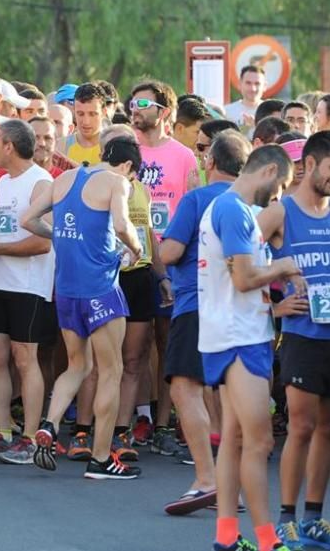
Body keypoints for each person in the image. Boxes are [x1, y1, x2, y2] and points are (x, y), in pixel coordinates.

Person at [257, 131, 330, 551]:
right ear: (308, 164)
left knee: (328, 429)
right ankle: (286, 517)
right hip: (304, 334)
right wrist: (274, 308)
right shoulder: (279, 213)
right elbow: (237, 263)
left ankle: (314, 518)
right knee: (301, 426)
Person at [23, 137, 145, 479]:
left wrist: (59, 237)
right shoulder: (117, 182)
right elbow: (122, 225)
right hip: (101, 288)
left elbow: (28, 219)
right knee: (111, 371)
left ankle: (49, 423)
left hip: (66, 289)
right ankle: (102, 459)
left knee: (77, 365)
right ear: (128, 167)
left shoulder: (64, 179)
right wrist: (135, 251)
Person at [199, 144, 300, 551]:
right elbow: (243, 279)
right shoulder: (233, 210)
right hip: (239, 338)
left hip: (237, 332)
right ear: (270, 171)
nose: (277, 197)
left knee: (237, 439)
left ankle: (227, 536)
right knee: (260, 442)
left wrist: (274, 301)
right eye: (281, 186)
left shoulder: (231, 210)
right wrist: (283, 267)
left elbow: (238, 280)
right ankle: (267, 541)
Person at [160, 130, 251, 515]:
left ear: (210, 162)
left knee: (186, 388)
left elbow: (171, 250)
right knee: (232, 397)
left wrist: (159, 245)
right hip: (244, 310)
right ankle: (233, 486)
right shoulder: (251, 203)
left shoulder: (197, 198)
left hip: (198, 303)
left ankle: (206, 479)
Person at [0, 119, 54, 463]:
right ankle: (3, 431)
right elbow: (2, 233)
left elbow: (41, 243)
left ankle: (31, 437)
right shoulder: (3, 182)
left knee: (24, 357)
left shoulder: (41, 183)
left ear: (9, 146)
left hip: (28, 285)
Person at [130, 80, 192, 452]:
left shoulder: (184, 156)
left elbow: (191, 206)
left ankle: (167, 423)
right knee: (133, 349)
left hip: (172, 260)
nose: (135, 109)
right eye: (132, 103)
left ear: (164, 112)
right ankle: (141, 416)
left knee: (169, 343)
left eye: (142, 103)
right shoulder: (125, 148)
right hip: (132, 259)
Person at [64, 82, 106, 167]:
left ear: (104, 113)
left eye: (92, 114)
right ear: (74, 111)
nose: (86, 121)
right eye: (80, 114)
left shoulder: (114, 148)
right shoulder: (62, 146)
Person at [223, 65, 266, 131]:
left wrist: (257, 126)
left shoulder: (271, 113)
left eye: (257, 84)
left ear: (264, 86)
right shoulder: (227, 112)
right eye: (248, 83)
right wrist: (245, 128)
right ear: (240, 84)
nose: (253, 89)